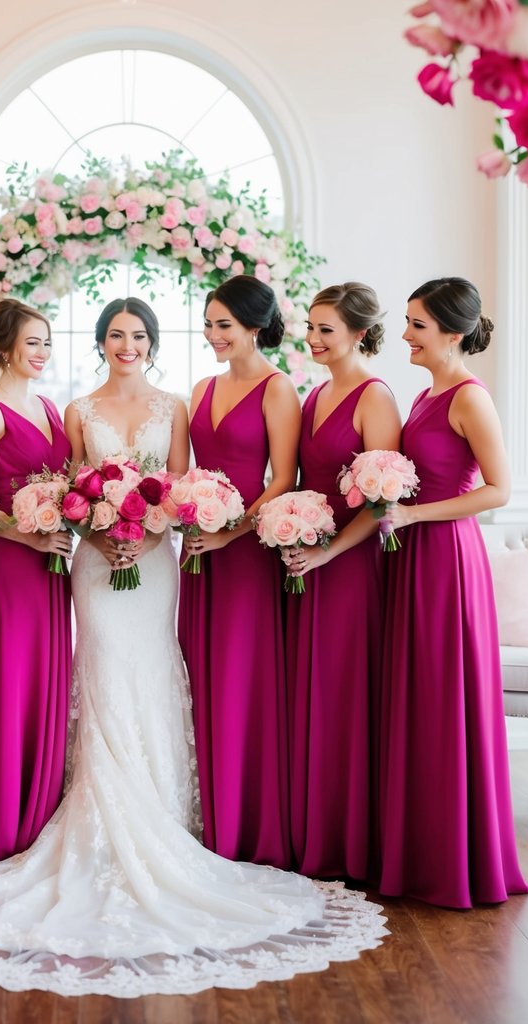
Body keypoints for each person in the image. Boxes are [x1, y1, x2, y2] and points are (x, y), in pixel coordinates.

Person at [0, 298, 385, 998]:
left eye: (136, 335)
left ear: (152, 343)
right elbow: (70, 487)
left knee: (152, 667)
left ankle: (165, 814)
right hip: (96, 563)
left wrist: (152, 529)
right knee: (100, 667)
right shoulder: (74, 410)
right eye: (113, 335)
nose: (124, 344)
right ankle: (95, 813)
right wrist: (97, 530)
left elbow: (185, 486)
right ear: (99, 342)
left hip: (156, 559)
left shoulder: (177, 403)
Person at [377, 277, 528, 907]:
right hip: (412, 553)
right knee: (417, 695)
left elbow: (499, 491)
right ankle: (420, 850)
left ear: (452, 331)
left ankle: (461, 858)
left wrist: (414, 516)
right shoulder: (424, 393)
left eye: (417, 324)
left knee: (446, 695)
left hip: (447, 557)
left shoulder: (469, 397)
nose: (407, 335)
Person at [179, 275, 301, 865]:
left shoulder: (279, 390)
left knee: (240, 678)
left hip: (247, 551)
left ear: (255, 325)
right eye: (208, 324)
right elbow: (188, 470)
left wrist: (231, 530)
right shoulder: (200, 389)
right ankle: (203, 816)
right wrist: (187, 517)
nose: (213, 335)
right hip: (198, 550)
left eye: (223, 325)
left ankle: (247, 823)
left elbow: (283, 477)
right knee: (195, 672)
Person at [282, 283, 401, 880]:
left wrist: (330, 551)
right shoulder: (315, 395)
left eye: (326, 329)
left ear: (359, 332)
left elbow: (385, 500)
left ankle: (353, 842)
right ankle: (317, 835)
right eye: (310, 326)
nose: (314, 338)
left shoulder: (374, 397)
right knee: (315, 693)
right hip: (309, 559)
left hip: (351, 566)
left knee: (347, 695)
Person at [0, 298, 72, 864]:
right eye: (32, 342)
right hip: (8, 568)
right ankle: (2, 821)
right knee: (10, 683)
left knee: (45, 682)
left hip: (51, 568)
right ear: (3, 346)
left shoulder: (51, 409)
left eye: (46, 342)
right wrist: (28, 536)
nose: (42, 352)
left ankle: (41, 809)